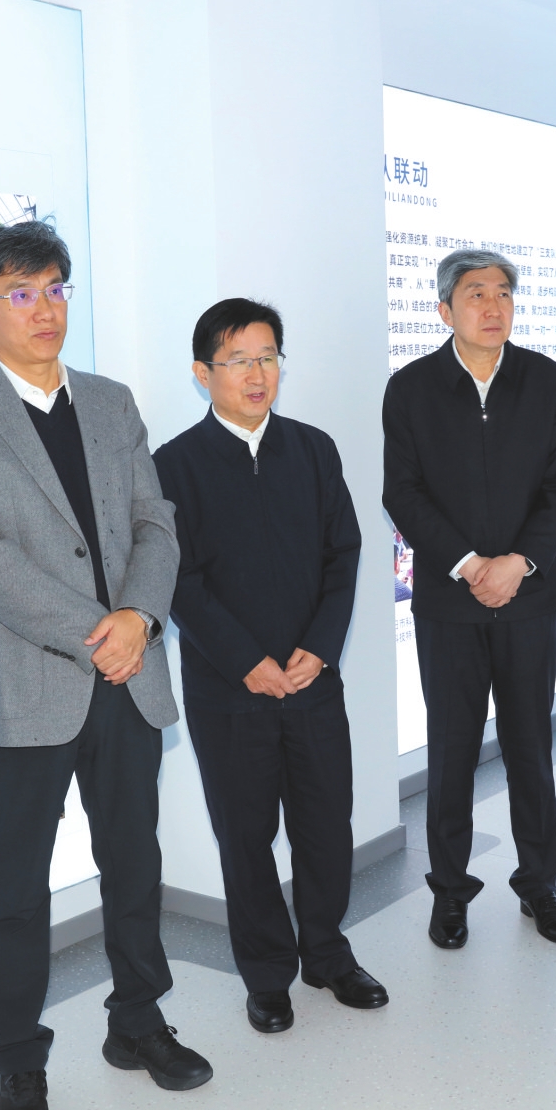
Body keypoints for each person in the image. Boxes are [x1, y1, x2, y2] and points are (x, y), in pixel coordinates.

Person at [0, 218, 207, 1110]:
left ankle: (138, 1021)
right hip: (25, 687)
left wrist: (141, 618)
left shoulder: (111, 403)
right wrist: (100, 634)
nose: (43, 310)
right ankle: (19, 1062)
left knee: (134, 861)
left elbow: (154, 522)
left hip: (129, 675)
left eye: (53, 289)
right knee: (14, 887)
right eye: (19, 294)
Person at [155, 297, 384, 1034]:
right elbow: (178, 579)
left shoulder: (313, 449)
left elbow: (344, 553)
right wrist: (245, 660)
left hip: (313, 682)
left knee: (325, 826)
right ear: (203, 373)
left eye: (267, 358)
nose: (257, 375)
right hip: (230, 692)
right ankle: (266, 975)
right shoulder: (173, 466)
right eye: (238, 361)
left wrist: (320, 646)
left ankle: (327, 954)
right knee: (245, 836)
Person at [383, 249, 556, 950]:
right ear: (444, 309)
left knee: (531, 745)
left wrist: (518, 563)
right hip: (450, 603)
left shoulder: (545, 379)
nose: (493, 306)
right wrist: (471, 566)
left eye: (503, 293)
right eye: (476, 294)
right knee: (451, 751)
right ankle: (449, 891)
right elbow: (402, 491)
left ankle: (540, 885)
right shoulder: (411, 388)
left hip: (528, 597)